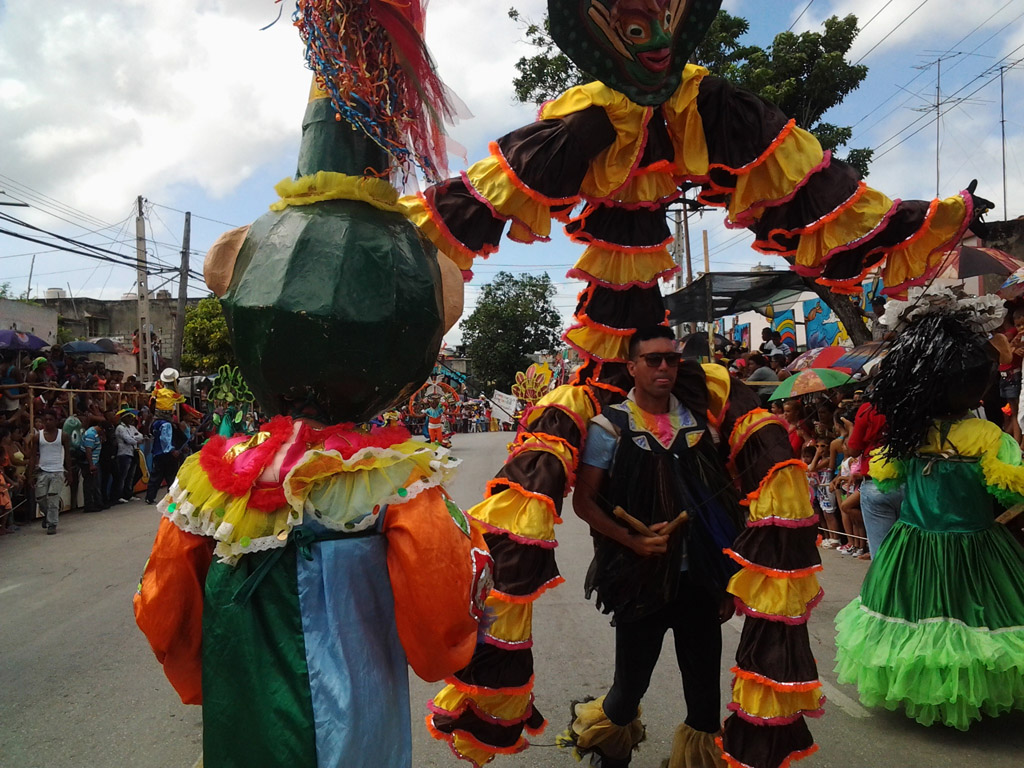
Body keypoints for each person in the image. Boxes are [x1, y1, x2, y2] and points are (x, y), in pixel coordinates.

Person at [835, 293, 1024, 729]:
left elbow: (886, 480)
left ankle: (933, 694)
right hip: (976, 544)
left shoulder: (909, 434)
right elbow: (1011, 490)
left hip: (914, 543)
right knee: (975, 617)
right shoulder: (987, 435)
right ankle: (964, 694)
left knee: (918, 617)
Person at [568, 327, 744, 768]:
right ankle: (610, 751)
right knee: (628, 690)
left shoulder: (702, 425)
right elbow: (584, 501)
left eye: (670, 359)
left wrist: (727, 582)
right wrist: (632, 539)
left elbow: (723, 508)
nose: (663, 366)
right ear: (632, 367)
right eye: (652, 359)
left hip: (699, 584)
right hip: (637, 582)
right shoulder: (609, 427)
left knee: (705, 699)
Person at [846, 395, 903, 557]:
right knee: (906, 551)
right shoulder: (911, 403)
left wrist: (851, 428)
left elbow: (853, 450)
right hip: (908, 481)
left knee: (881, 554)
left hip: (875, 484)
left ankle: (883, 582)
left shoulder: (868, 409)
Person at [29, 409, 70, 535]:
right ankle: (48, 516)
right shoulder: (38, 436)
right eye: (45, 420)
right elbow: (32, 456)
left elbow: (68, 454)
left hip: (57, 471)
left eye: (50, 419)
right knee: (40, 497)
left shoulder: (63, 435)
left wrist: (69, 472)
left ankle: (52, 524)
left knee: (53, 498)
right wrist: (30, 474)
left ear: (56, 421)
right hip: (42, 471)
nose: (47, 422)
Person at [145, 409, 179, 504]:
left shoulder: (155, 424)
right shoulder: (166, 424)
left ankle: (150, 496)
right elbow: (165, 439)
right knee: (170, 476)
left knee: (156, 476)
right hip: (166, 454)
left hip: (157, 453)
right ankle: (172, 496)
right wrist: (171, 450)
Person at [114, 409, 143, 501]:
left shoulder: (131, 427)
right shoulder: (120, 428)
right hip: (123, 453)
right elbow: (128, 439)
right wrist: (135, 439)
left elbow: (140, 436)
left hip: (133, 452)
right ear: (124, 418)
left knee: (131, 475)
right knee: (123, 475)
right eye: (129, 417)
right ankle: (119, 495)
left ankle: (128, 494)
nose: (131, 419)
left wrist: (134, 438)